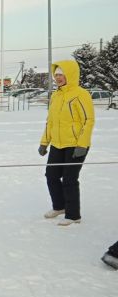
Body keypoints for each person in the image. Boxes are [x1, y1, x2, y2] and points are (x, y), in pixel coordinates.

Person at [39, 60, 95, 226]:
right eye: (56, 75)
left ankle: (73, 215)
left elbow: (88, 120)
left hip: (76, 144)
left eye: (61, 74)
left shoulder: (80, 94)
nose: (58, 78)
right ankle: (59, 206)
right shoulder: (56, 95)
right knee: (51, 176)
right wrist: (44, 142)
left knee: (70, 179)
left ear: (70, 74)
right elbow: (51, 122)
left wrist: (82, 144)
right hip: (57, 143)